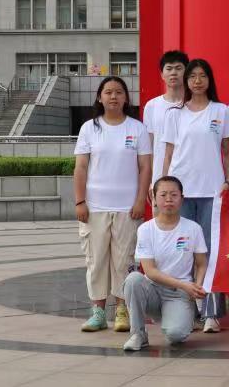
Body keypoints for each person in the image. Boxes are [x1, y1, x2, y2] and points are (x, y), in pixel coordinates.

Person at [73, 76, 152, 333]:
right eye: (108, 92)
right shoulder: (89, 128)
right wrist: (80, 201)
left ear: (126, 98)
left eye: (119, 92)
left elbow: (145, 167)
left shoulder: (137, 128)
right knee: (96, 260)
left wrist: (140, 200)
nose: (114, 96)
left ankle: (121, 309)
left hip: (128, 208)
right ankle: (97, 312)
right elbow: (81, 167)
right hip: (94, 207)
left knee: (124, 261)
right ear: (100, 97)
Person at [162, 58, 229, 333]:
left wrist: (228, 180)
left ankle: (211, 313)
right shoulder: (174, 114)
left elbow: (227, 151)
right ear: (187, 81)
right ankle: (186, 311)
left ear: (209, 80)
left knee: (210, 252)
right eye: (193, 76)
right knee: (184, 252)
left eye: (203, 76)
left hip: (212, 191)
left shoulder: (221, 111)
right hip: (181, 191)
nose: (197, 81)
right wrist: (163, 187)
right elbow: (168, 153)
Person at [122, 176, 208, 351]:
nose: (169, 199)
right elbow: (150, 271)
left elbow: (201, 263)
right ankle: (138, 334)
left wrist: (196, 287)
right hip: (153, 290)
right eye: (163, 195)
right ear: (153, 198)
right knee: (133, 280)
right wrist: (184, 285)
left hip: (179, 294)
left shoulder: (193, 228)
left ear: (182, 199)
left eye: (174, 195)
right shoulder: (145, 229)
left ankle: (176, 316)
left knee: (176, 335)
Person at [143, 50, 189, 203]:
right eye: (169, 68)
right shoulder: (152, 106)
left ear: (186, 72)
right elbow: (148, 147)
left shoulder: (193, 105)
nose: (173, 73)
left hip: (189, 178)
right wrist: (151, 181)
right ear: (162, 74)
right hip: (160, 180)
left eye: (178, 68)